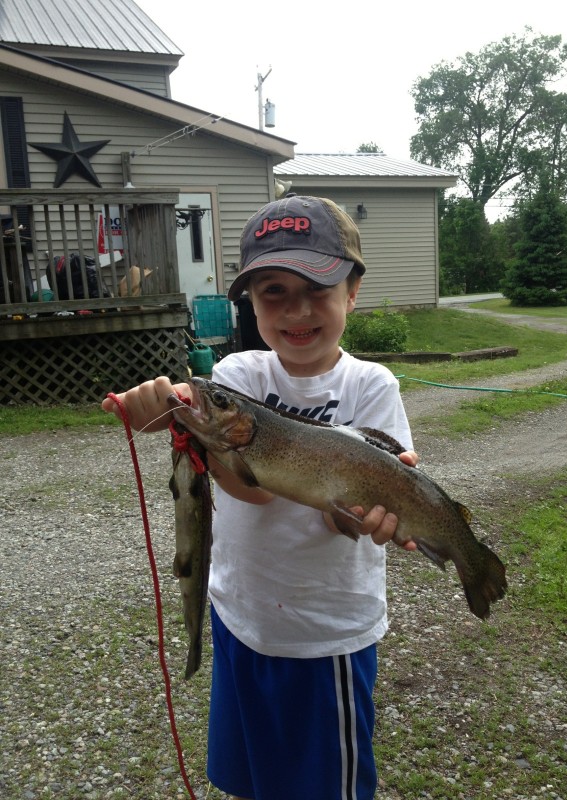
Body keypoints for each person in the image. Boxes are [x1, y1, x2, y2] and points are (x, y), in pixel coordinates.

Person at [102, 194, 418, 800]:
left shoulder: (371, 384)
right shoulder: (239, 376)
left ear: (353, 292)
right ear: (250, 301)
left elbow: (370, 495)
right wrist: (166, 410)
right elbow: (251, 493)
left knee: (325, 787)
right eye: (273, 290)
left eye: (318, 288)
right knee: (254, 777)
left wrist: (376, 512)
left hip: (325, 629)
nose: (297, 309)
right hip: (240, 616)